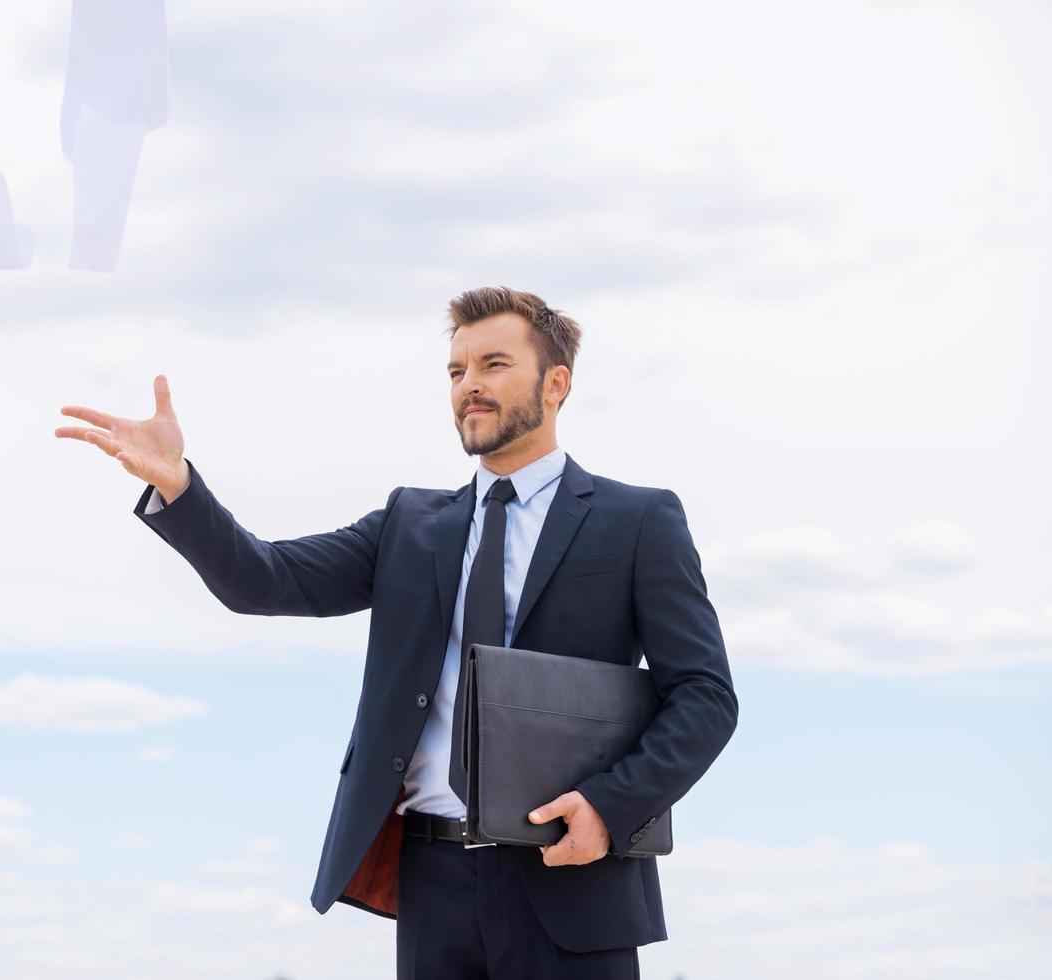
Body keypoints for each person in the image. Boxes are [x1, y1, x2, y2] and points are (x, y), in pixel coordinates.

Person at [55, 286, 739, 979]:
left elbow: (705, 696)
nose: (468, 385)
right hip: (431, 880)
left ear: (555, 383)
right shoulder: (409, 526)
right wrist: (178, 487)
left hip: (570, 872)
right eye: (455, 371)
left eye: (493, 365)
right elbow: (262, 579)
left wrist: (609, 807)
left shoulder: (636, 521)